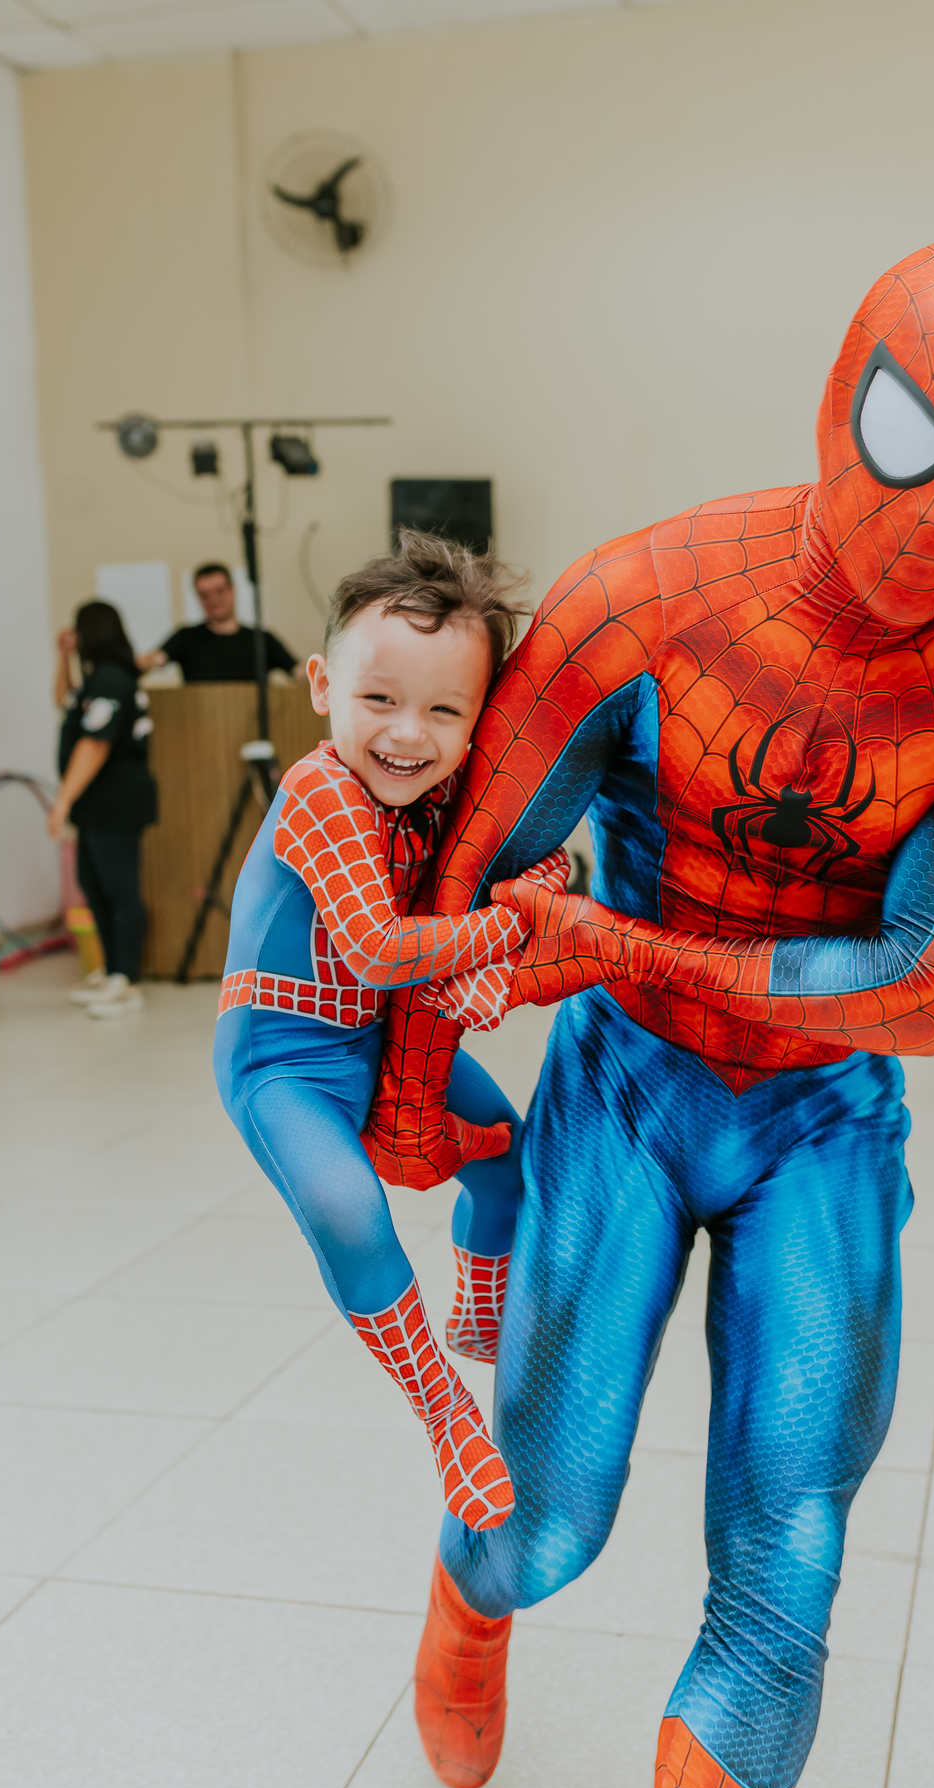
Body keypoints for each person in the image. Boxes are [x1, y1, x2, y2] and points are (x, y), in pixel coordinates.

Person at [363, 242, 934, 1788]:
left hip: (824, 1113)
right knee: (549, 1517)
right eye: (911, 445)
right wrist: (417, 1092)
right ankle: (467, 1607)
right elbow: (470, 861)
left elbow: (928, 991)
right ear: (841, 404)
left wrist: (625, 944)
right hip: (628, 1087)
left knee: (790, 1551)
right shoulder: (648, 600)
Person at [211, 533, 568, 1533]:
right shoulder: (321, 789)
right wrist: (510, 927)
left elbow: (537, 864)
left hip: (377, 1043)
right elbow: (373, 946)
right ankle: (447, 1418)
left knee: (509, 1156)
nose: (408, 734)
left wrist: (521, 921)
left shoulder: (442, 795)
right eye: (380, 700)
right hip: (280, 1056)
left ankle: (481, 1308)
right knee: (347, 1207)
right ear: (323, 686)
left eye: (445, 711)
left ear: (478, 724)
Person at [52, 600, 158, 1021]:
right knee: (92, 883)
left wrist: (61, 802)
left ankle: (125, 979)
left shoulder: (112, 679)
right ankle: (110, 969)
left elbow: (95, 743)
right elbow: (64, 699)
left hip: (116, 801)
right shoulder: (97, 678)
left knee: (119, 888)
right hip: (96, 804)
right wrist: (62, 657)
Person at [138, 563, 301, 683]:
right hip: (201, 724)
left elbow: (299, 672)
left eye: (219, 591)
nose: (214, 600)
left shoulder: (262, 639)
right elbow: (154, 660)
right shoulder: (186, 637)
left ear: (232, 590)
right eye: (205, 594)